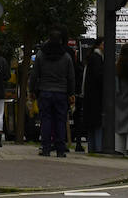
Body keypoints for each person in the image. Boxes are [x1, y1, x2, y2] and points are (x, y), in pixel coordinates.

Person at [31, 29, 76, 158]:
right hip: (61, 92)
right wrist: (71, 93)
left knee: (46, 120)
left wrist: (32, 90)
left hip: (45, 91)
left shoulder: (41, 55)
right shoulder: (66, 56)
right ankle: (60, 149)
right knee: (60, 121)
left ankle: (45, 148)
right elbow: (71, 77)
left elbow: (34, 74)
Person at [80, 38, 105, 152]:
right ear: (100, 45)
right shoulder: (98, 58)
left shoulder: (91, 57)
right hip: (96, 96)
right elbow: (99, 77)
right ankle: (98, 148)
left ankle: (92, 147)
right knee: (97, 123)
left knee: (91, 124)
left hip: (89, 96)